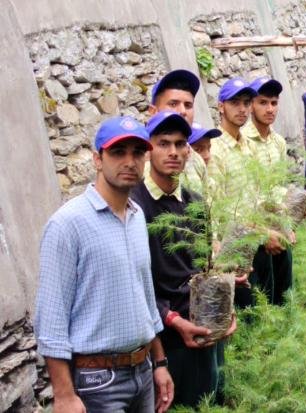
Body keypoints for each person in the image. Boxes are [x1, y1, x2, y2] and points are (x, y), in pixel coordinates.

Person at [34, 116, 174, 413]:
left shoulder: (136, 218)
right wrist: (64, 395)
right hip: (98, 381)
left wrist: (159, 363)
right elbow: (51, 318)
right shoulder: (67, 224)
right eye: (118, 152)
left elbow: (146, 299)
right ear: (98, 159)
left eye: (137, 152)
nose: (129, 161)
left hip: (143, 371)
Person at [130, 111, 236, 408]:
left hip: (203, 324)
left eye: (180, 144)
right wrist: (172, 320)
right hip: (165, 334)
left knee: (212, 397)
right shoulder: (136, 206)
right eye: (164, 143)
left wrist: (226, 307)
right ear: (149, 148)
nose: (173, 152)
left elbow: (205, 268)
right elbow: (137, 282)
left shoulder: (196, 203)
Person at [240, 76, 298, 306]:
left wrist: (286, 224)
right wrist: (264, 232)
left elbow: (278, 188)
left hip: (277, 226)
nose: (270, 109)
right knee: (261, 293)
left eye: (274, 103)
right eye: (263, 102)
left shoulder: (278, 142)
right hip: (253, 229)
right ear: (251, 105)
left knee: (283, 288)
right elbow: (247, 195)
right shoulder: (243, 141)